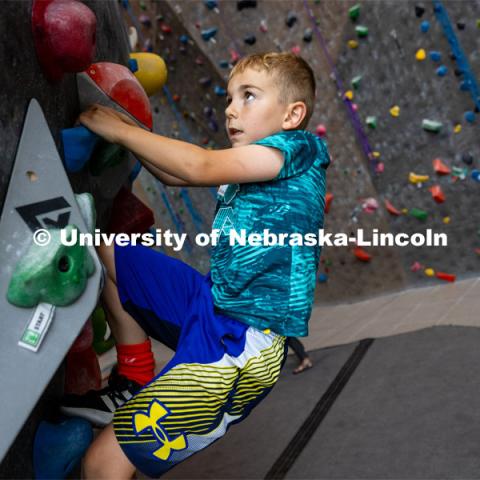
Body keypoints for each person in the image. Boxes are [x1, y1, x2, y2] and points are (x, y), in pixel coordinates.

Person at [61, 51, 330, 478]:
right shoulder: (254, 164)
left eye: (248, 96)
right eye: (229, 97)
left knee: (102, 462)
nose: (230, 108)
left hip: (240, 345)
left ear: (292, 115)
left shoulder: (297, 152)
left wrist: (112, 127)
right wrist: (124, 128)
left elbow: (197, 164)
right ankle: (132, 377)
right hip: (210, 302)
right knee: (107, 250)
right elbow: (175, 175)